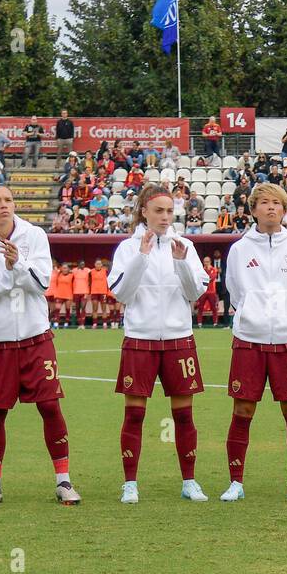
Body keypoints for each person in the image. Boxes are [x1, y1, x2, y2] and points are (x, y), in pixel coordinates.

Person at [0, 184, 80, 505]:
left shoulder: (34, 235)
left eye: (8, 200)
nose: (4, 205)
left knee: (50, 406)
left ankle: (64, 481)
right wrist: (12, 272)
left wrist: (19, 266)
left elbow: (42, 283)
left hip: (34, 336)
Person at [107, 184, 212, 503]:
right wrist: (142, 255)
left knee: (184, 415)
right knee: (134, 415)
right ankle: (130, 483)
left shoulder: (185, 246)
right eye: (159, 211)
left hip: (179, 340)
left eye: (170, 211)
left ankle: (189, 481)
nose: (166, 217)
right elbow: (122, 294)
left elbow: (195, 293)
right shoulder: (127, 248)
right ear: (144, 212)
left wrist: (181, 263)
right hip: (140, 340)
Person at [221, 183, 287, 502]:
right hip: (249, 338)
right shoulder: (239, 249)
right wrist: (253, 314)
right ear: (253, 208)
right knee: (243, 408)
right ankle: (236, 481)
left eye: (277, 202)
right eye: (264, 203)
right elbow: (234, 290)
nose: (271, 208)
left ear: (285, 208)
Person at [195, 255, 220, 326]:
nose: (206, 263)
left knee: (214, 308)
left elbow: (212, 278)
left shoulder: (214, 269)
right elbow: (200, 278)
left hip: (211, 291)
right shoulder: (201, 269)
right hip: (203, 291)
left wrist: (205, 278)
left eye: (207, 261)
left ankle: (215, 323)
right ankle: (199, 323)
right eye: (205, 262)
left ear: (210, 262)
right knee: (200, 307)